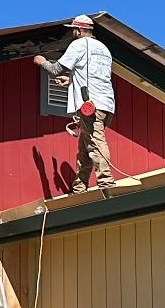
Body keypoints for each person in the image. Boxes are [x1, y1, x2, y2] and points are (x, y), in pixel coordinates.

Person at [33, 14, 116, 193]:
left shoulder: (79, 45)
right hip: (106, 105)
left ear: (78, 31)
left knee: (95, 143)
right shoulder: (104, 49)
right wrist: (70, 81)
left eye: (73, 30)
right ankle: (80, 186)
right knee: (86, 145)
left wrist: (42, 61)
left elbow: (56, 69)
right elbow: (95, 76)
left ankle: (107, 182)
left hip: (89, 105)